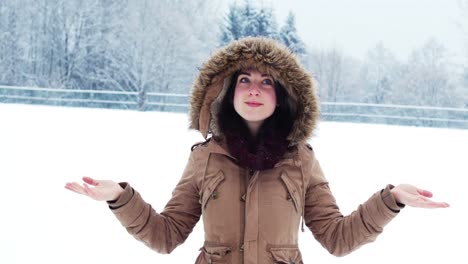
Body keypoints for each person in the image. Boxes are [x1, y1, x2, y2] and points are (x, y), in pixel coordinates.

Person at [65, 37, 449, 264]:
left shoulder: (301, 160)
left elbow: (337, 237)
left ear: (281, 97)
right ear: (227, 92)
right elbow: (166, 236)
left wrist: (391, 200)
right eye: (243, 79)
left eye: (266, 82)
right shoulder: (205, 157)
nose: (253, 88)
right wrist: (119, 198)